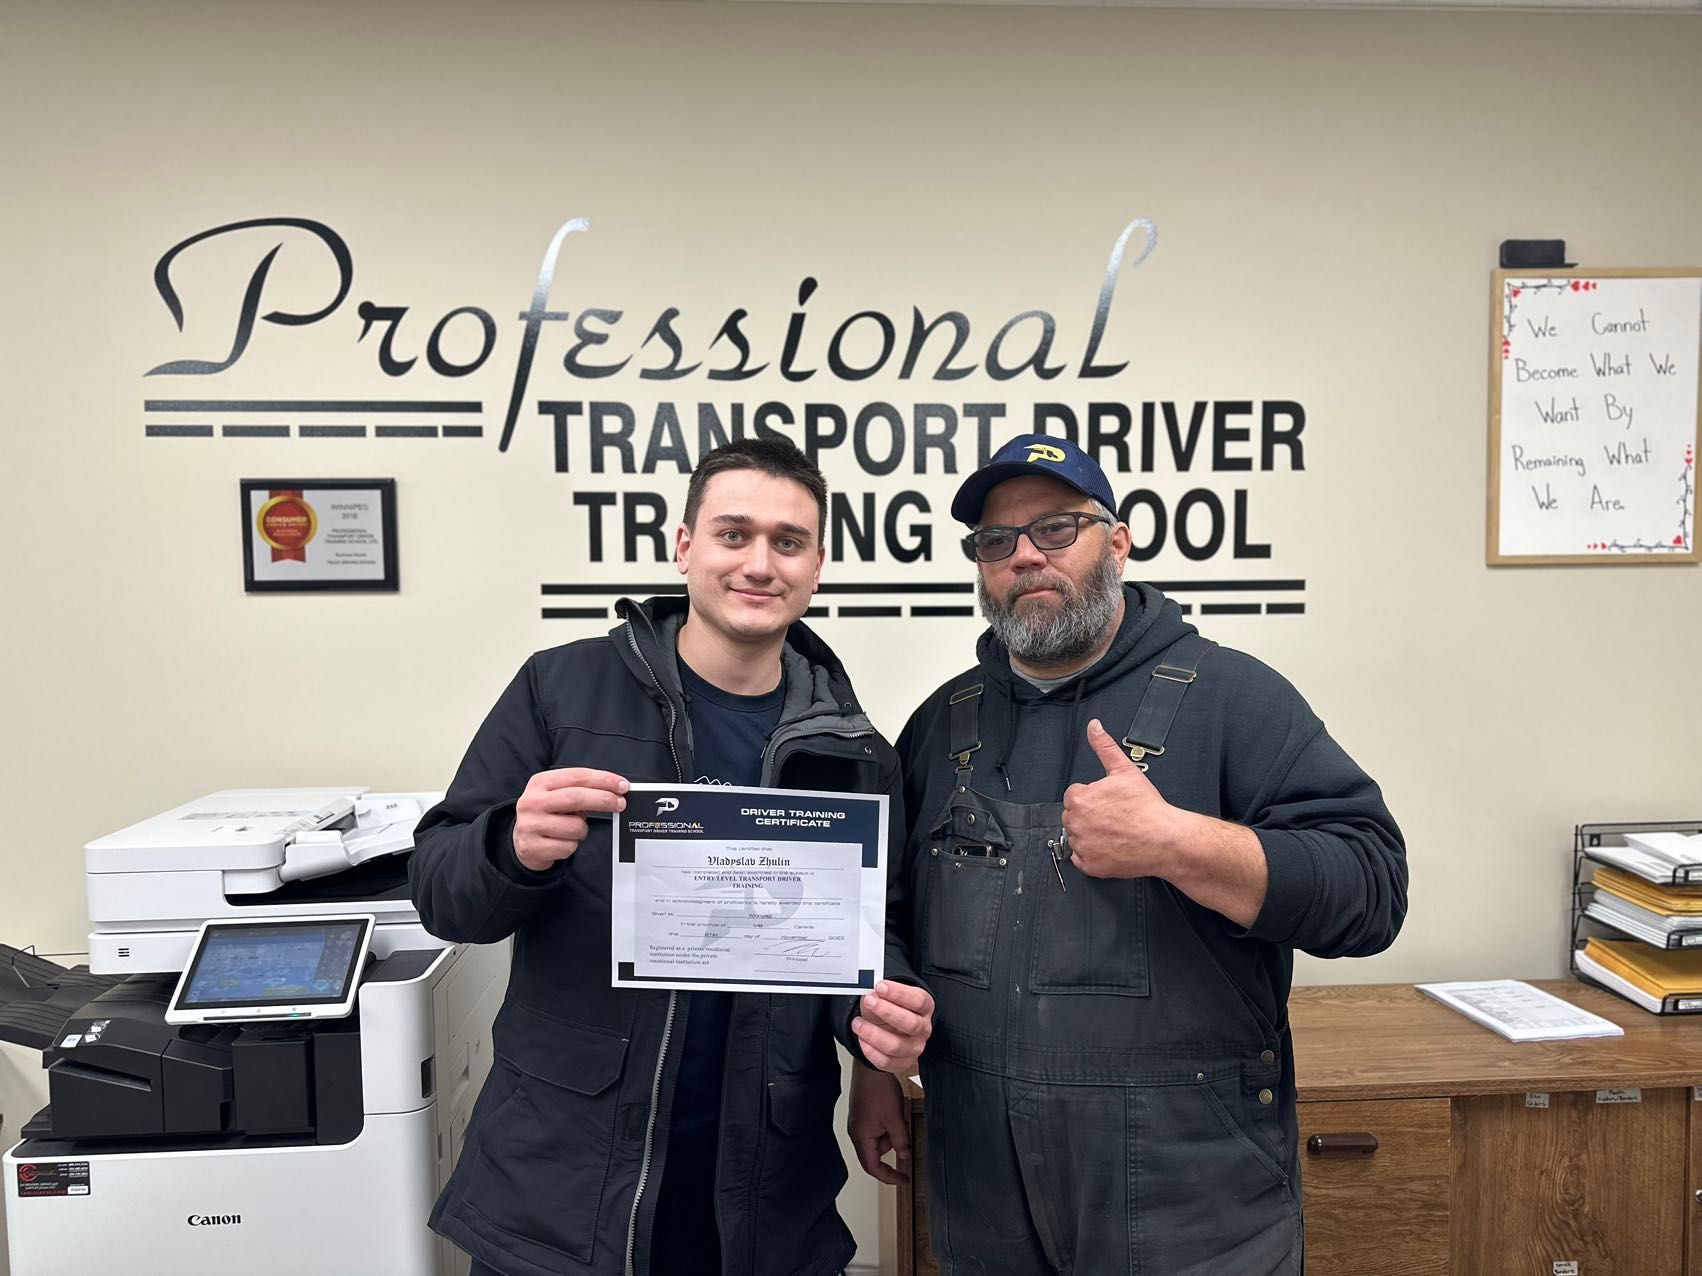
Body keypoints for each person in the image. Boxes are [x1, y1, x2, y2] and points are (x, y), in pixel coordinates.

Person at [847, 433, 1407, 1276]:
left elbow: (1372, 890)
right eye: (997, 541)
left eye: (1056, 529)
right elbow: (879, 912)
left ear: (1118, 540)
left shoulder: (1234, 699)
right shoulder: (941, 723)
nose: (1025, 556)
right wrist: (875, 1063)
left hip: (1190, 1191)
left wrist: (1180, 842)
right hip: (982, 1187)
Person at [411, 437, 935, 1276]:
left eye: (788, 542)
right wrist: (509, 847)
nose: (759, 563)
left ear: (818, 566)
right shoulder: (561, 689)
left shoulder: (857, 751)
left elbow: (867, 941)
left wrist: (880, 1024)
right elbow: (443, 895)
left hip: (762, 1192)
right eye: (733, 534)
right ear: (685, 545)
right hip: (566, 1185)